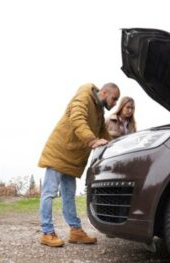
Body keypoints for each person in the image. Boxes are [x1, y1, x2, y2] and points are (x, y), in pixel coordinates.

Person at [38, 82, 120, 247]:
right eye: (114, 99)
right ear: (104, 92)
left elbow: (102, 132)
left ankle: (75, 231)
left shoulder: (98, 110)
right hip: (59, 152)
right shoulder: (84, 96)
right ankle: (47, 232)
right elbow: (77, 119)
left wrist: (115, 148)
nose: (115, 103)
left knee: (69, 195)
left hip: (73, 158)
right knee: (49, 192)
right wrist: (93, 140)